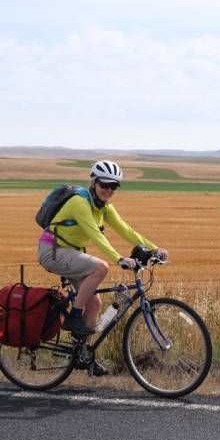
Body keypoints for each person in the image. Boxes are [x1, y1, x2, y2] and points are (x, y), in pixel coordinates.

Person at [36, 160, 168, 376]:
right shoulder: (80, 202)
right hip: (52, 251)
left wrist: (155, 249)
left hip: (72, 252)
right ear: (94, 182)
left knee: (95, 303)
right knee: (100, 268)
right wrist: (118, 259)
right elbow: (96, 235)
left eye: (113, 186)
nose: (108, 190)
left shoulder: (105, 208)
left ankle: (83, 355)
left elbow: (126, 230)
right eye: (104, 184)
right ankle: (73, 318)